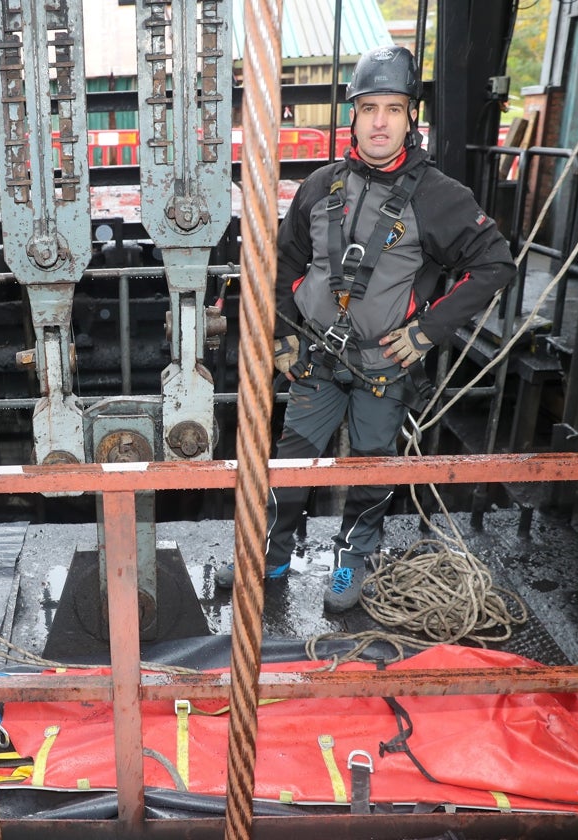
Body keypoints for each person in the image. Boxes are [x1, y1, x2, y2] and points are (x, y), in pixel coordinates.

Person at [216, 46, 516, 612]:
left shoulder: (438, 196)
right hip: (316, 360)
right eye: (370, 107)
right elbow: (283, 266)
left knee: (373, 468)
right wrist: (281, 337)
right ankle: (271, 554)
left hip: (385, 366)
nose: (380, 121)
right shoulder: (320, 186)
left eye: (394, 109)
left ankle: (351, 559)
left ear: (410, 119)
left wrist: (428, 331)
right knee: (290, 464)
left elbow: (495, 263)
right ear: (352, 116)